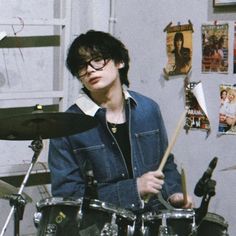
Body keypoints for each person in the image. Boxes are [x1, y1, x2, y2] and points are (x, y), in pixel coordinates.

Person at [48, 30, 193, 224]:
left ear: (119, 62)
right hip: (100, 226)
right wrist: (133, 190)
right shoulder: (67, 126)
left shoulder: (148, 110)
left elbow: (164, 165)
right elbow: (68, 197)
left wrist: (174, 193)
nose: (90, 69)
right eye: (81, 66)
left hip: (150, 223)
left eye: (97, 60)